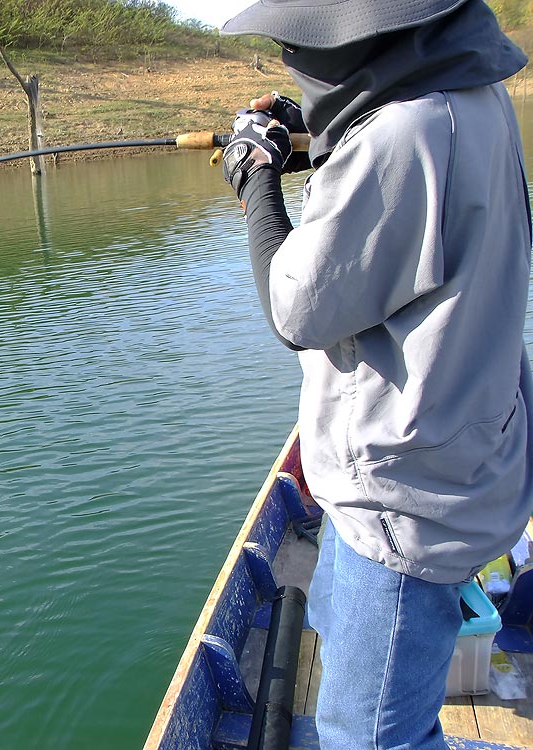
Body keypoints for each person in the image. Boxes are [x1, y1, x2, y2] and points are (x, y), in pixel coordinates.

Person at [217, 1, 533, 748]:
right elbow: (399, 221)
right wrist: (311, 131)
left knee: (369, 739)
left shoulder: (403, 133)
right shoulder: (468, 92)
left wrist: (257, 176)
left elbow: (296, 306)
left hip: (403, 498)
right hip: (460, 453)